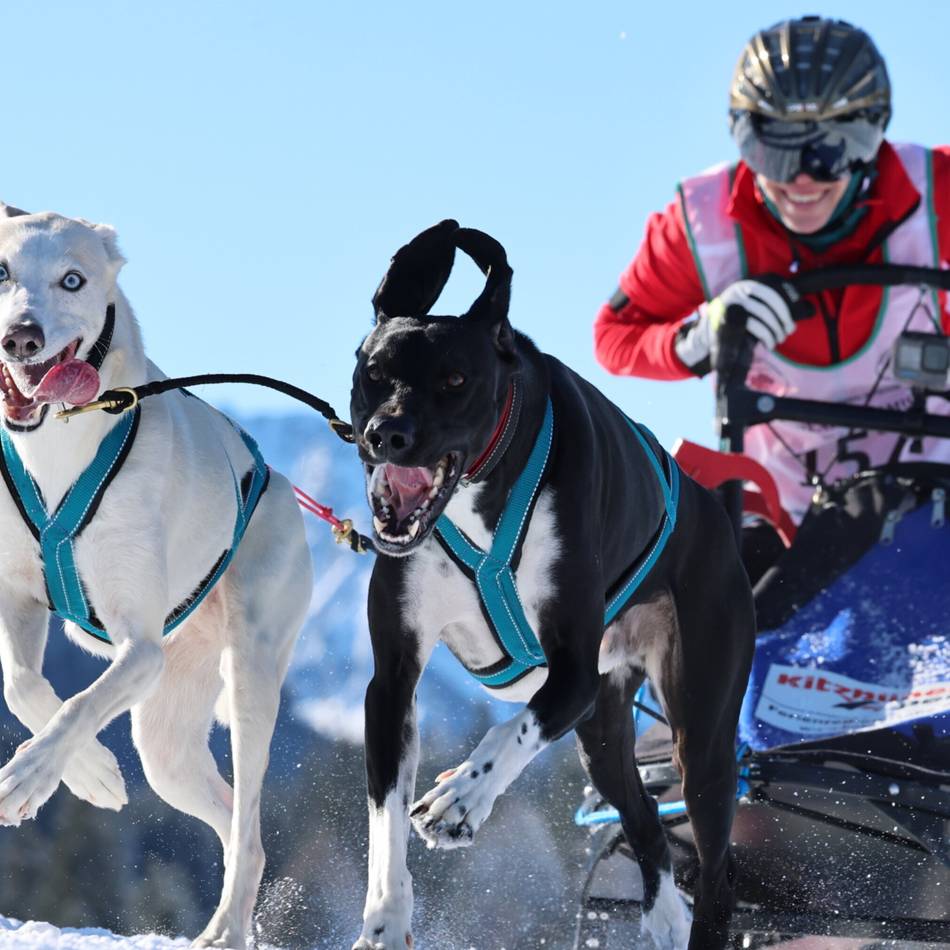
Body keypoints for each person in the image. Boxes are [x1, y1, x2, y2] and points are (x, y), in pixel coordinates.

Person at [594, 16, 950, 573]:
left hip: (933, 490)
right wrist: (697, 339)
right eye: (774, 150)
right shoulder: (704, 224)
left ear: (874, 134)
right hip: (783, 517)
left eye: (831, 150)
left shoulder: (936, 192)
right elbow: (614, 338)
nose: (801, 181)